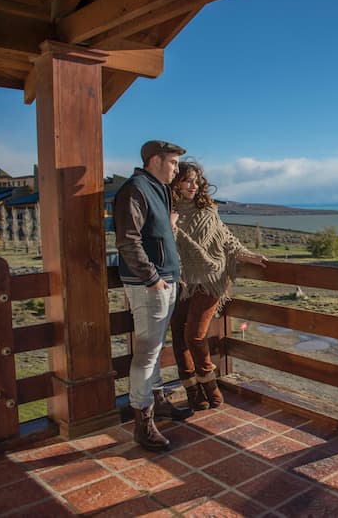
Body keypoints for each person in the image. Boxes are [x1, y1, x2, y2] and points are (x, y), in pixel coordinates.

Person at [114, 140, 193, 452]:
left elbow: (157, 236)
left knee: (157, 349)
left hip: (166, 281)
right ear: (155, 160)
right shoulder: (135, 189)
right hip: (149, 284)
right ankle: (143, 423)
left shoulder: (158, 188)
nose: (176, 168)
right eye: (173, 162)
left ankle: (158, 402)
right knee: (147, 354)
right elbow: (128, 240)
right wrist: (153, 279)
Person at [170, 159, 266, 411]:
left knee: (194, 335)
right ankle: (192, 391)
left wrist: (248, 255)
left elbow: (225, 239)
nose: (193, 185)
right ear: (176, 183)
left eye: (195, 181)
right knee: (178, 337)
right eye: (186, 180)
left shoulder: (208, 209)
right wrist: (170, 225)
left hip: (212, 280)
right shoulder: (169, 211)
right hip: (182, 280)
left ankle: (210, 384)